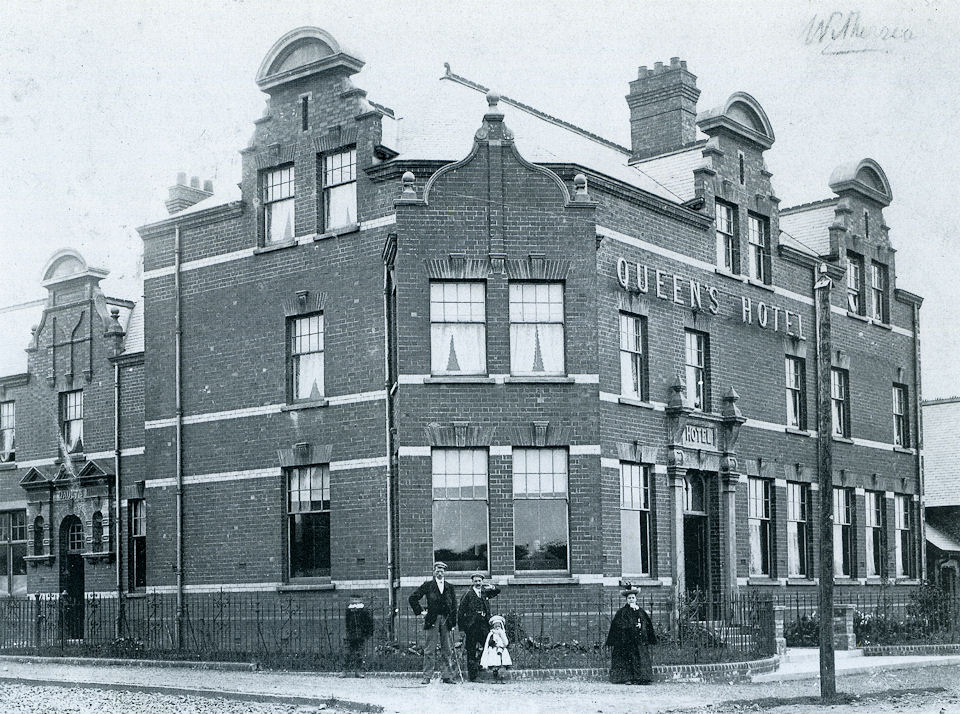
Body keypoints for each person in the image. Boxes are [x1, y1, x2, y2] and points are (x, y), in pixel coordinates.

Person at [408, 561, 459, 684]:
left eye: (442, 571)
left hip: (446, 620)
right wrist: (421, 611)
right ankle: (427, 676)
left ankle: (447, 676)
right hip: (432, 619)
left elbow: (454, 606)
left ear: (445, 572)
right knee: (429, 649)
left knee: (447, 649)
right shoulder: (428, 585)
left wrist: (452, 623)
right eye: (437, 570)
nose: (439, 573)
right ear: (434, 572)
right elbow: (413, 598)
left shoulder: (449, 587)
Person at [605, 588, 657, 685]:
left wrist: (641, 626)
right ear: (626, 600)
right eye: (629, 598)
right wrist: (632, 626)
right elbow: (619, 625)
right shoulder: (622, 612)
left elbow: (646, 624)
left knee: (640, 657)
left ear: (636, 599)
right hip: (626, 640)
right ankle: (627, 678)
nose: (631, 600)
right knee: (626, 658)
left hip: (639, 640)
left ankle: (641, 678)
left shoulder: (641, 611)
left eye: (633, 598)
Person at [456, 571, 501, 682]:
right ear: (472, 582)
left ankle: (489, 670)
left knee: (489, 646)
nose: (477, 583)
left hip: (484, 625)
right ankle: (473, 676)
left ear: (482, 582)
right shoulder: (468, 595)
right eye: (475, 581)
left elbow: (497, 591)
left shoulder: (485, 593)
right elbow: (460, 612)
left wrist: (492, 587)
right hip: (472, 627)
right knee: (471, 650)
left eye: (479, 581)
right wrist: (462, 629)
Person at [342, 596, 375, 678]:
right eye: (353, 600)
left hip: (360, 635)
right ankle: (344, 670)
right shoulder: (349, 611)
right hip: (350, 635)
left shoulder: (364, 611)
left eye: (356, 599)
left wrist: (367, 633)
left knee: (359, 654)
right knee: (347, 653)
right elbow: (347, 623)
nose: (355, 601)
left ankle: (358, 671)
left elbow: (369, 623)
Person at [479, 614, 512, 682]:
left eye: (499, 626)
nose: (497, 627)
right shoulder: (491, 633)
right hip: (493, 650)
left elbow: (506, 642)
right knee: (494, 664)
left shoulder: (502, 633)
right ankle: (495, 678)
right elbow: (488, 642)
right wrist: (492, 644)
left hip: (501, 650)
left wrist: (501, 645)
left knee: (502, 664)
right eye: (495, 626)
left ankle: (502, 678)